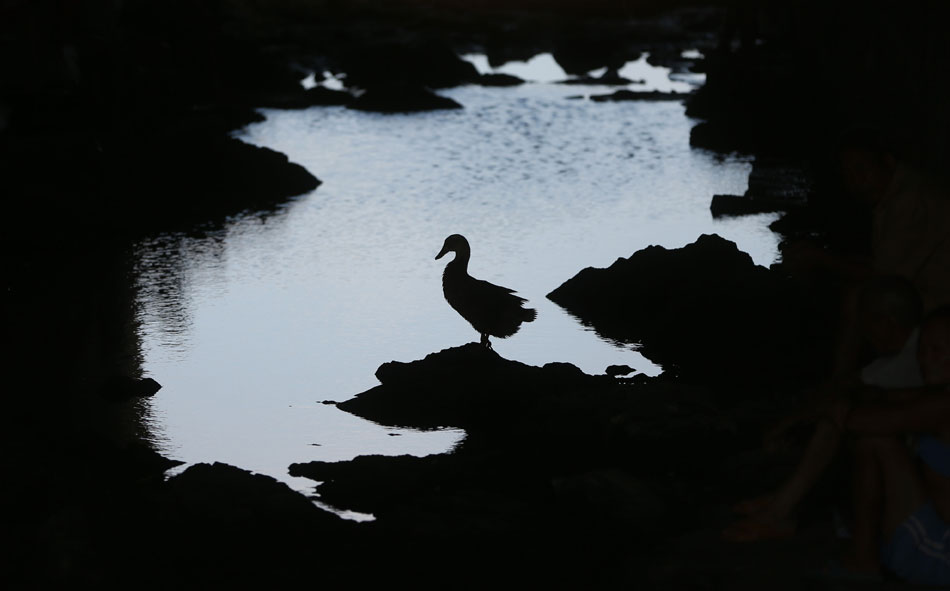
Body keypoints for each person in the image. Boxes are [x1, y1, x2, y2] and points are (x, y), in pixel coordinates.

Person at [722, 276, 924, 542]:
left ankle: (782, 511)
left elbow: (847, 391)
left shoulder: (912, 359)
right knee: (837, 415)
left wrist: (789, 423)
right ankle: (781, 503)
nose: (863, 333)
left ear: (886, 322)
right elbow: (850, 385)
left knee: (837, 420)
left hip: (918, 465)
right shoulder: (908, 352)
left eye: (866, 322)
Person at [841, 306, 950, 584]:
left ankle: (862, 561)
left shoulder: (942, 405)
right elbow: (890, 397)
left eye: (936, 350)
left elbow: (859, 421)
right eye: (922, 349)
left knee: (875, 439)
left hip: (943, 550)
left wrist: (833, 408)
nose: (925, 359)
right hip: (939, 525)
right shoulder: (937, 396)